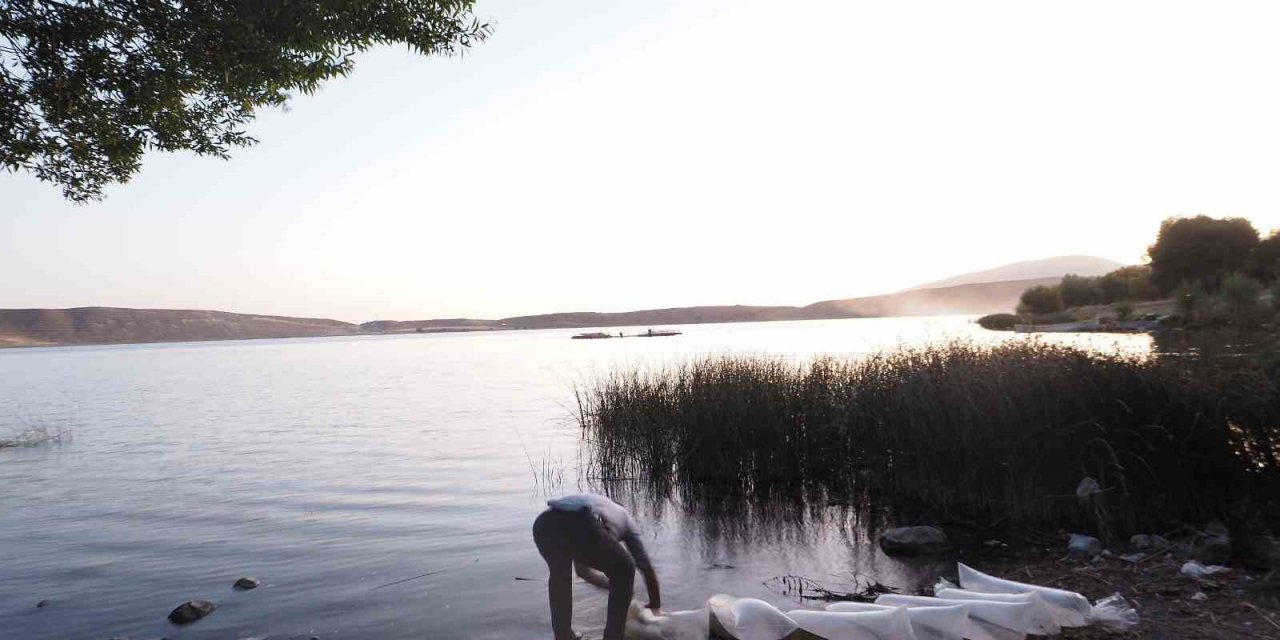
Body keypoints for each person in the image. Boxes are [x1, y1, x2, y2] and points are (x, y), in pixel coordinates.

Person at [533, 494, 661, 640]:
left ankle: (563, 636)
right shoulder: (626, 520)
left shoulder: (601, 504)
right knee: (625, 569)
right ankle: (614, 637)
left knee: (561, 577)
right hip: (581, 521)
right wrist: (655, 604)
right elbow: (646, 568)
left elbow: (583, 572)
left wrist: (612, 587)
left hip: (543, 525)